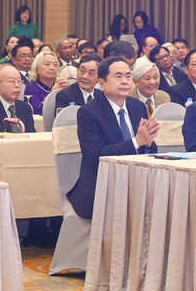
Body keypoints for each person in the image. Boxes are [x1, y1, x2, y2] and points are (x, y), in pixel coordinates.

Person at [67, 57, 159, 219]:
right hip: (102, 185)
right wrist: (136, 142)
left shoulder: (137, 106)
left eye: (128, 76)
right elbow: (95, 155)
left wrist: (148, 144)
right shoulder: (89, 112)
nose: (125, 81)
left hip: (135, 182)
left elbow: (145, 148)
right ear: (102, 84)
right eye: (118, 76)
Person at [0, 63, 36, 133]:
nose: (17, 85)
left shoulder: (25, 107)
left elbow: (32, 136)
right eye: (12, 81)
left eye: (19, 81)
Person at [24, 50, 68, 114]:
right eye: (47, 64)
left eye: (55, 65)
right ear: (37, 69)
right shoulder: (31, 87)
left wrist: (69, 92)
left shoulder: (59, 86)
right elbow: (39, 111)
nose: (52, 68)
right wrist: (53, 93)